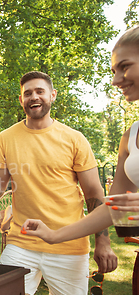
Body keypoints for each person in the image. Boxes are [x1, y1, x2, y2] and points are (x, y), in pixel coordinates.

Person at [0, 70, 118, 295]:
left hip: (69, 243)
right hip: (22, 241)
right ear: (21, 99)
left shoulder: (74, 138)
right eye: (28, 93)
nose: (34, 97)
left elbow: (93, 193)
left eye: (39, 91)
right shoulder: (6, 138)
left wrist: (103, 240)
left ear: (52, 95)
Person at [22, 26, 139, 244]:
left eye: (125, 67)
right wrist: (54, 235)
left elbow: (94, 191)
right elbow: (111, 209)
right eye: (114, 71)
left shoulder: (74, 138)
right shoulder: (130, 136)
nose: (115, 81)